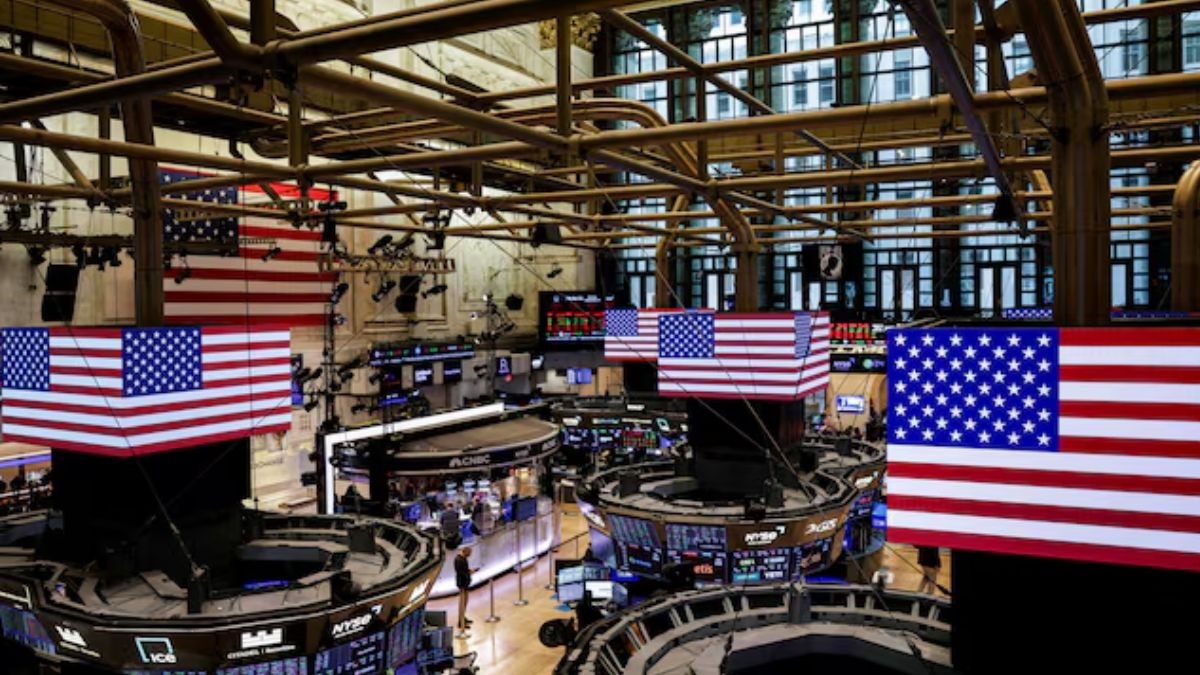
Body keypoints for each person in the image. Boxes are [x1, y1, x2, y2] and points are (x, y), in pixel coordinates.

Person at [454, 547, 478, 634]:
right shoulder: (459, 560)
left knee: (465, 602)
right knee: (462, 602)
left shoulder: (462, 559)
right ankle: (461, 622)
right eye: (469, 554)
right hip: (462, 584)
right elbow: (461, 572)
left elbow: (464, 570)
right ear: (465, 552)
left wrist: (469, 571)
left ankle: (463, 618)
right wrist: (469, 572)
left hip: (465, 583)